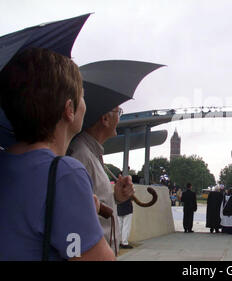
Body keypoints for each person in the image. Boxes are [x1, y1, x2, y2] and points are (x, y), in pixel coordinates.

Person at [0, 48, 115, 260]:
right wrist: (84, 210)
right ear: (69, 109)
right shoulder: (64, 174)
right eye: (82, 95)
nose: (85, 104)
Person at [67, 105, 135, 255]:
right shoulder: (81, 155)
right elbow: (72, 218)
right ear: (105, 118)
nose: (119, 118)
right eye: (119, 112)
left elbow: (93, 201)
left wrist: (116, 197)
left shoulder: (91, 153)